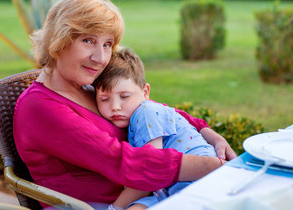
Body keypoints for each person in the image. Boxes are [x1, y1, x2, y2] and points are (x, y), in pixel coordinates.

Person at [13, 0, 237, 209]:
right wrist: (212, 167)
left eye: (107, 44)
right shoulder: (41, 108)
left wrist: (209, 134)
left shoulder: (90, 86)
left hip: (147, 196)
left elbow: (153, 110)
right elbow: (120, 160)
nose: (100, 58)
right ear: (58, 40)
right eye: (88, 40)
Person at [94, 48, 219, 210]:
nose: (115, 107)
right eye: (104, 99)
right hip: (166, 189)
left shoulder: (146, 112)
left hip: (197, 183)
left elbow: (150, 171)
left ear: (145, 92)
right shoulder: (132, 116)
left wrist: (115, 208)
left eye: (124, 97)